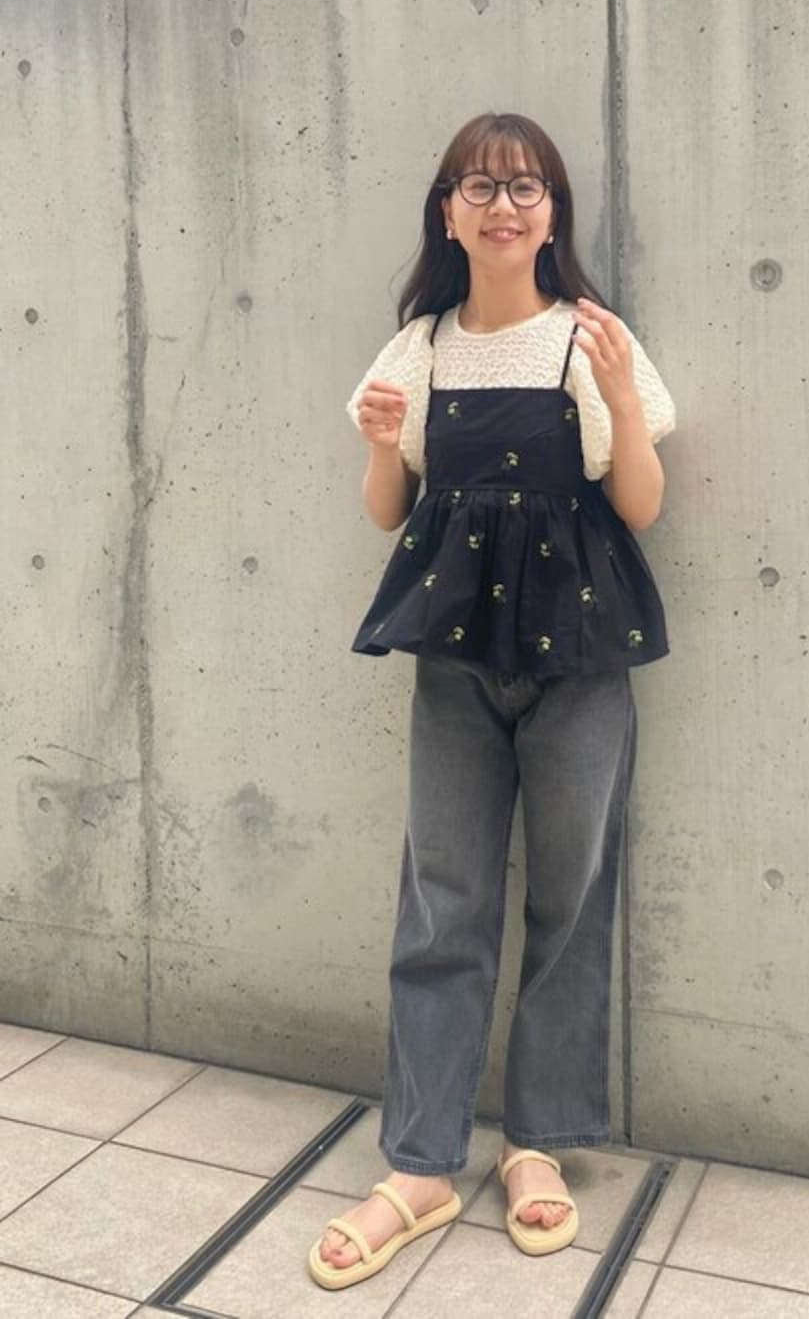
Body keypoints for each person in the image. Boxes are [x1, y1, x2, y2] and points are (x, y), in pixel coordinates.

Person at [308, 111, 676, 1291]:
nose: (502, 205)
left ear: (552, 213)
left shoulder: (593, 337)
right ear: (448, 213)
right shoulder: (417, 347)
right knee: (442, 899)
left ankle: (537, 1142)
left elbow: (641, 504)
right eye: (478, 185)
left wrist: (620, 397)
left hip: (580, 657)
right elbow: (388, 511)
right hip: (454, 655)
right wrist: (381, 444)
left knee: (570, 895)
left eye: (524, 186)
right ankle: (419, 1160)